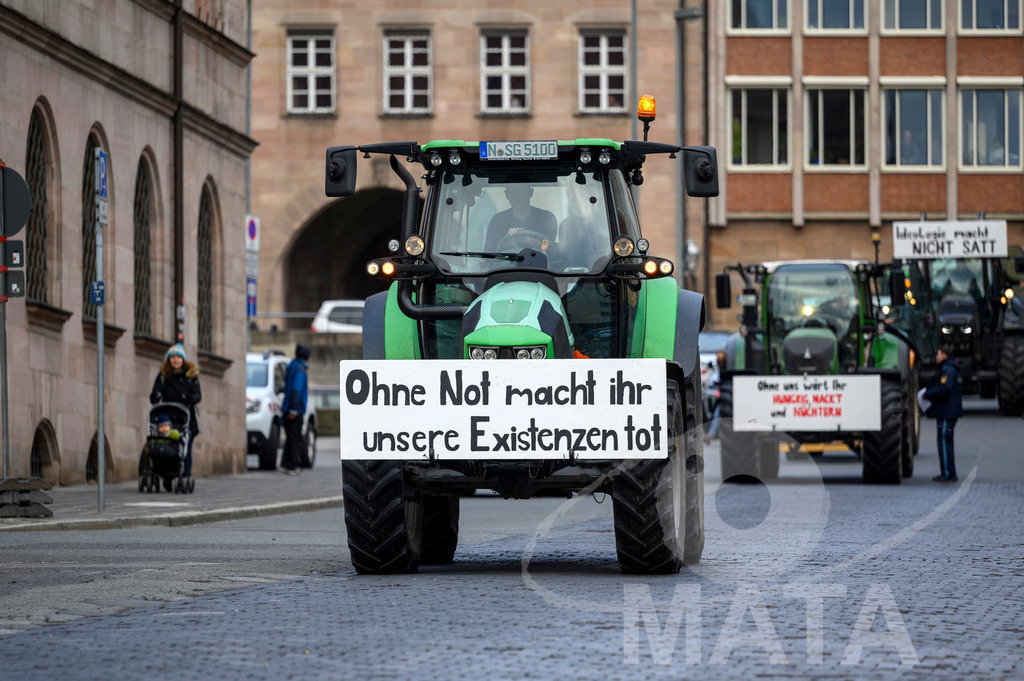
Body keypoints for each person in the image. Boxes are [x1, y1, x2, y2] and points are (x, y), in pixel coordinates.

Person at [149, 343, 201, 486]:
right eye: (173, 357)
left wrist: (192, 398)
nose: (175, 360)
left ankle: (185, 474)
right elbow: (154, 393)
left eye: (178, 357)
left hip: (185, 419)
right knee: (165, 446)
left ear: (183, 359)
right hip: (167, 418)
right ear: (169, 360)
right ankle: (165, 475)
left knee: (185, 449)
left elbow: (197, 394)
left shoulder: (190, 376)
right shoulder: (163, 376)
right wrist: (156, 395)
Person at [923, 345, 962, 482]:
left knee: (944, 442)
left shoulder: (947, 369)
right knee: (945, 442)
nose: (936, 357)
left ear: (944, 356)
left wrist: (928, 394)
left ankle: (948, 473)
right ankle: (947, 471)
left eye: (938, 354)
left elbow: (945, 388)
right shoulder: (950, 368)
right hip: (948, 410)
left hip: (947, 411)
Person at [485, 184, 557, 251]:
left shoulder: (546, 218)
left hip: (539, 264)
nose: (517, 195)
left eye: (522, 190)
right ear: (507, 194)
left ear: (530, 192)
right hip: (505, 264)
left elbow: (548, 248)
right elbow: (489, 255)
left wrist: (526, 240)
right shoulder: (497, 221)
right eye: (512, 191)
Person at [278, 343, 311, 475]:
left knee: (290, 438)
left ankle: (285, 464)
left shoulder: (291, 367)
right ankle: (292, 465)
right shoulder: (300, 370)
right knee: (295, 438)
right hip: (294, 410)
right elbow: (297, 390)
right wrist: (294, 410)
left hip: (287, 408)